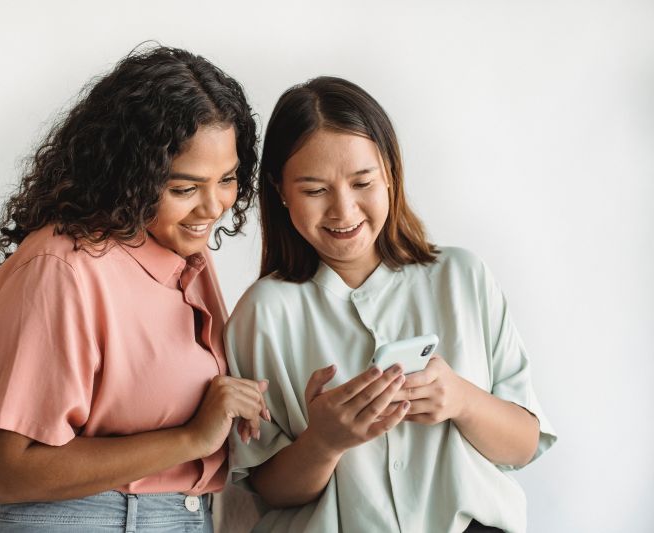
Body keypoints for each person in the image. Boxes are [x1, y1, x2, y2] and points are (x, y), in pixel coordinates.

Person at [0, 45, 269, 533]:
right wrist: (190, 439)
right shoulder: (61, 267)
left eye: (227, 179)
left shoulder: (187, 256)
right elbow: (6, 470)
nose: (214, 206)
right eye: (184, 188)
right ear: (131, 176)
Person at [224, 76, 557, 533]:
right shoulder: (262, 313)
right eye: (315, 190)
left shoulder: (463, 277)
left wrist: (460, 399)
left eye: (362, 182)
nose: (343, 211)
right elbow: (268, 488)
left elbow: (523, 445)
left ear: (390, 174)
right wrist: (324, 442)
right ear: (281, 192)